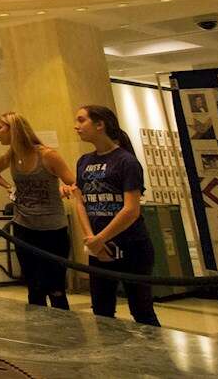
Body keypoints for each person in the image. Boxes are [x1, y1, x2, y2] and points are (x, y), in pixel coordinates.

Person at [71, 104, 160, 325]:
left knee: (141, 309)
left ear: (100, 124)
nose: (76, 126)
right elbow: (81, 202)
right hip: (97, 247)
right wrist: (92, 240)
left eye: (82, 120)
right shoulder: (83, 161)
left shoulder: (125, 161)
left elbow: (131, 209)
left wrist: (102, 238)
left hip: (131, 245)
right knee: (101, 309)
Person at [0, 111, 76, 309]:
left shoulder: (47, 155)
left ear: (14, 130)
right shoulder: (11, 156)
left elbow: (72, 181)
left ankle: (66, 332)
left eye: (0, 127)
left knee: (56, 288)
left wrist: (65, 188)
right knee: (34, 287)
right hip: (24, 227)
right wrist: (9, 187)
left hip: (52, 229)